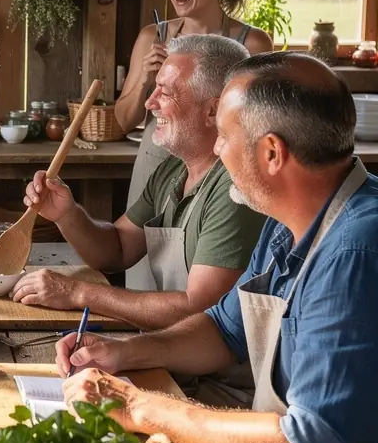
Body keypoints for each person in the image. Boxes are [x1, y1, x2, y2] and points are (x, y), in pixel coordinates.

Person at [58, 53, 378, 443]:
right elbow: (223, 329)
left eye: (226, 138)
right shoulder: (288, 218)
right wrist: (124, 353)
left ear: (272, 153)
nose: (219, 151)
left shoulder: (356, 249)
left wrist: (141, 406)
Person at [14, 37, 265, 386]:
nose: (149, 102)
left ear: (213, 110)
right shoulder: (172, 171)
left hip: (222, 387)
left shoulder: (233, 189)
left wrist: (77, 293)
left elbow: (198, 308)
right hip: (170, 364)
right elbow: (116, 250)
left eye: (166, 92)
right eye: (154, 88)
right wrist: (66, 214)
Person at [115, 0, 272, 290]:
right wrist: (146, 79)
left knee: (209, 279)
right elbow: (123, 121)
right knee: (142, 276)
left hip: (224, 171)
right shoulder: (152, 37)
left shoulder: (252, 42)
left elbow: (260, 120)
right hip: (158, 163)